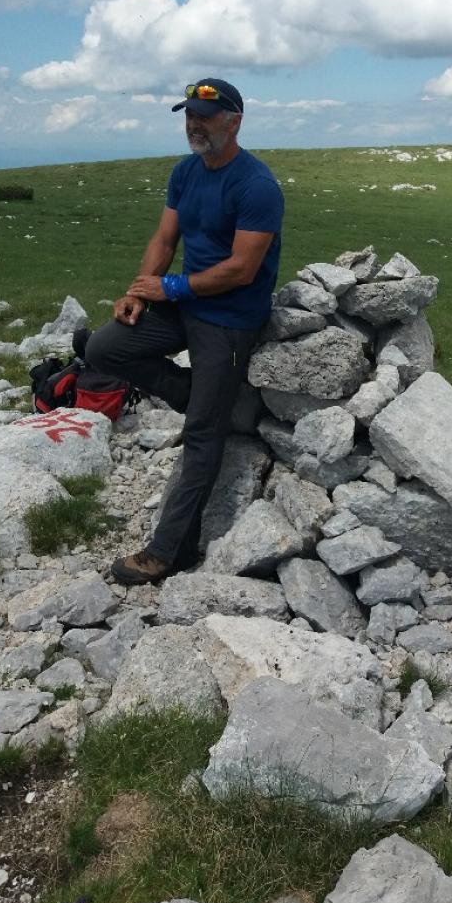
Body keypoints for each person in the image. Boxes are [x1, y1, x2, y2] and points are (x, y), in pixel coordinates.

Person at [85, 78, 284, 585]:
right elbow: (165, 238)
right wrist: (138, 290)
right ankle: (203, 397)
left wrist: (171, 287)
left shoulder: (256, 185)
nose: (194, 124)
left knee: (201, 436)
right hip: (185, 302)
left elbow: (242, 269)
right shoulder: (186, 171)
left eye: (205, 116)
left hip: (229, 317)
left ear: (234, 122)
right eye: (189, 114)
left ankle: (167, 552)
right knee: (104, 347)